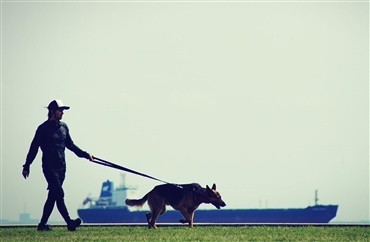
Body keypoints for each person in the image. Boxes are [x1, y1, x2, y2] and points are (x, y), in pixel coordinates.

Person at [22, 100, 94, 231]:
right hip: (49, 168)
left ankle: (42, 225)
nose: (62, 113)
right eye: (60, 110)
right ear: (52, 111)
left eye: (63, 111)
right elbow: (34, 148)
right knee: (59, 193)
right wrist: (27, 165)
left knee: (53, 197)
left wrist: (86, 155)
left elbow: (71, 146)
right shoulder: (42, 129)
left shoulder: (64, 127)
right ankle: (69, 222)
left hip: (62, 168)